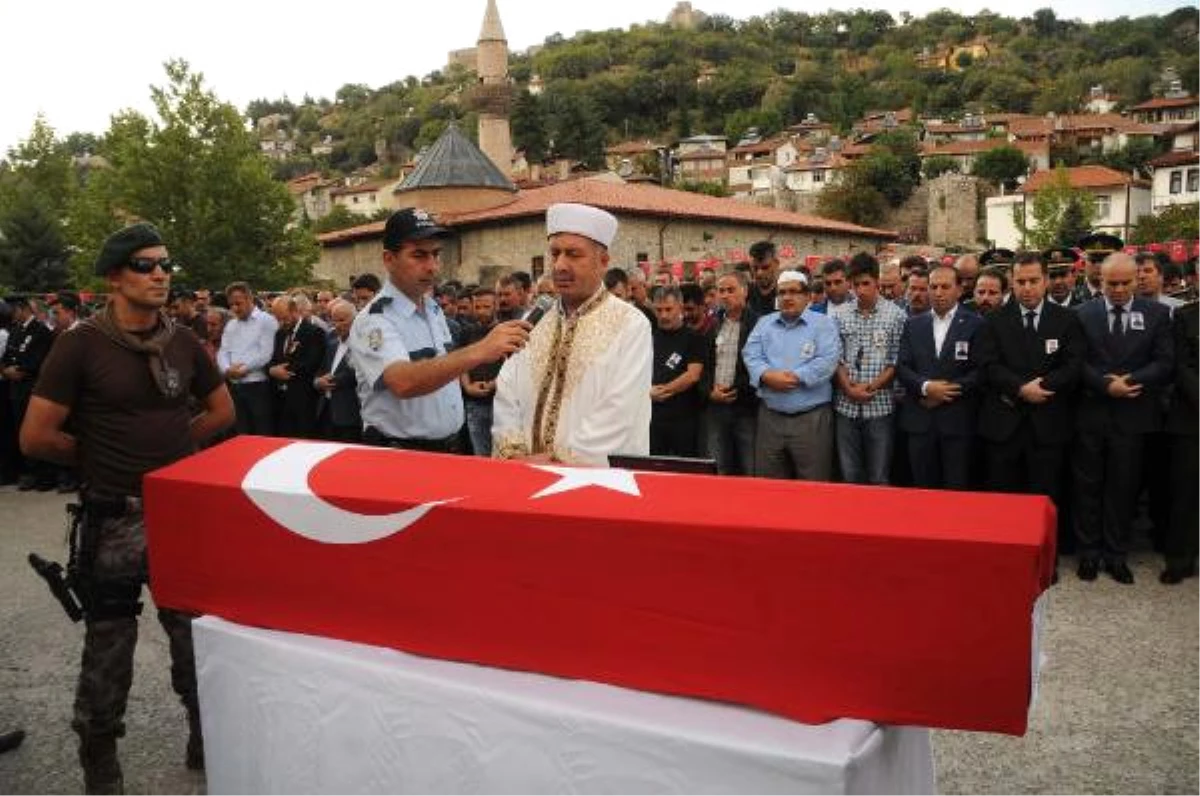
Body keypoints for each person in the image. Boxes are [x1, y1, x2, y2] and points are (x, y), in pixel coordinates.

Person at [19, 221, 234, 793]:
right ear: (114, 276)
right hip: (111, 517)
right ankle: (100, 762)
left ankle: (202, 731)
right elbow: (36, 436)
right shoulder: (80, 344)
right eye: (144, 265)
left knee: (192, 634)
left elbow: (222, 411)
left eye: (165, 264)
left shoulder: (184, 341)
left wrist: (175, 453)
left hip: (175, 516)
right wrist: (101, 458)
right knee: (109, 646)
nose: (160, 273)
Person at [350, 208, 529, 453]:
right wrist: (481, 350)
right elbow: (402, 381)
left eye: (436, 254)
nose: (432, 266)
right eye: (419, 255)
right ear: (389, 259)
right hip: (402, 454)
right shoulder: (374, 320)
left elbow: (445, 368)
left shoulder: (433, 310)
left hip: (450, 446)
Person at [493, 203, 651, 464]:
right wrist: (514, 455)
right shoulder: (533, 322)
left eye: (573, 254)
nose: (560, 265)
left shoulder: (631, 324)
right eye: (555, 254)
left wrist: (559, 461)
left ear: (603, 262)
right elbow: (507, 391)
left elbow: (621, 411)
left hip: (590, 485)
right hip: (524, 475)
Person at [975, 252, 1084, 570]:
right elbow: (987, 365)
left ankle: (1044, 559)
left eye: (1034, 281)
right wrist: (1021, 389)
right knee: (1002, 495)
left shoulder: (1067, 320)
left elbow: (1074, 365)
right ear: (1011, 281)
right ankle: (1003, 557)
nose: (1027, 288)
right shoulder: (994, 320)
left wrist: (1044, 386)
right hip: (1004, 423)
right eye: (1020, 281)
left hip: (1047, 424)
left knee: (1045, 495)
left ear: (1046, 281)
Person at [1072, 253, 1174, 584]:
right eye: (1110, 284)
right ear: (1099, 281)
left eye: (1124, 283)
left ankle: (1116, 555)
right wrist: (1105, 385)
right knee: (1088, 487)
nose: (1117, 290)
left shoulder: (1157, 314)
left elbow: (1164, 362)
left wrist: (1128, 382)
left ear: (1136, 280)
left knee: (1123, 487)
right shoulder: (1082, 314)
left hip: (1132, 415)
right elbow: (1076, 362)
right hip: (1092, 413)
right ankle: (1088, 553)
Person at [743, 270, 839, 481]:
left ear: (807, 296)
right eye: (782, 292)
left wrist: (794, 377)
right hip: (770, 418)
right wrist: (766, 375)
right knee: (770, 486)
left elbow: (827, 360)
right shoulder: (764, 323)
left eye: (794, 292)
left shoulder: (824, 324)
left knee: (813, 484)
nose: (787, 297)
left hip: (811, 419)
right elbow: (750, 354)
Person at [896, 265, 984, 489]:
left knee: (956, 487)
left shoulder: (976, 324)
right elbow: (903, 366)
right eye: (933, 287)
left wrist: (945, 391)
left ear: (959, 289)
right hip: (920, 420)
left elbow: (980, 371)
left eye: (945, 287)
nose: (938, 292)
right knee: (923, 489)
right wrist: (925, 387)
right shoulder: (913, 324)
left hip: (957, 421)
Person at [833, 253, 906, 485]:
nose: (861, 290)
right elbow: (836, 358)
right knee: (850, 474)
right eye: (856, 285)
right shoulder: (839, 315)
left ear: (877, 281)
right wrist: (848, 389)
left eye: (866, 283)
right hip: (846, 407)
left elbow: (896, 361)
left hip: (880, 407)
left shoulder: (896, 316)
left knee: (879, 475)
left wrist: (871, 386)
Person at [700, 270, 759, 476]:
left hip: (745, 408)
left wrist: (737, 390)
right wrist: (709, 391)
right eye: (721, 290)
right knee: (718, 466)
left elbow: (758, 367)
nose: (724, 295)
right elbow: (704, 365)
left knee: (749, 466)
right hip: (715, 407)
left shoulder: (758, 324)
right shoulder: (711, 324)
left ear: (745, 291)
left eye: (730, 290)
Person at [1162, 298, 1200, 583]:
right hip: (1191, 417)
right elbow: (1181, 365)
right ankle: (1180, 560)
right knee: (1185, 492)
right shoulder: (1186, 316)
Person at [2, 296, 55, 491]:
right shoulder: (16, 330)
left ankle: (45, 474)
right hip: (15, 389)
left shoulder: (40, 331)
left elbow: (38, 360)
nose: (11, 315)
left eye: (14, 310)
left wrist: (22, 370)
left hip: (31, 387)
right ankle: (30, 471)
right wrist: (6, 370)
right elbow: (8, 355)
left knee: (36, 431)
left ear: (23, 309)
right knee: (20, 431)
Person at [649, 285, 705, 457]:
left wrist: (664, 390)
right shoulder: (648, 337)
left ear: (680, 307)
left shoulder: (694, 338)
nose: (664, 315)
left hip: (683, 419)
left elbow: (693, 375)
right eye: (659, 310)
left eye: (668, 309)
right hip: (653, 419)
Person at [217, 281, 278, 435]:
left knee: (262, 431)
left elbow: (266, 354)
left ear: (250, 299)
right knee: (241, 431)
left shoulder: (266, 320)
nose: (234, 308)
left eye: (238, 303)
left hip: (257, 385)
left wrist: (242, 369)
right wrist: (226, 369)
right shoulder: (231, 324)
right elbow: (223, 351)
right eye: (231, 304)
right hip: (234, 385)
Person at [268, 294, 327, 438]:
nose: (281, 322)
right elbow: (274, 359)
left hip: (303, 400)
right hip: (281, 400)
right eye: (278, 319)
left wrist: (284, 371)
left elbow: (311, 363)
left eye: (284, 318)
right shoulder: (280, 334)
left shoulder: (314, 332)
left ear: (295, 311)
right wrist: (271, 370)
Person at [459, 286, 501, 456]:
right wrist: (467, 386)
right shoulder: (467, 332)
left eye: (486, 307)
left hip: (500, 403)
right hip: (474, 403)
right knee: (480, 454)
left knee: (502, 453)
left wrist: (494, 384)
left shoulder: (505, 331)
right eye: (478, 307)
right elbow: (461, 363)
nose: (481, 311)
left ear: (496, 306)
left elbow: (514, 366)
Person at [314, 298, 361, 442]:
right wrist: (317, 382)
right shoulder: (331, 340)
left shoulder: (361, 345)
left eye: (342, 320)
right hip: (326, 410)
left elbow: (355, 373)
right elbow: (321, 368)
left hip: (349, 413)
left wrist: (330, 381)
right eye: (333, 320)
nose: (337, 325)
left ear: (355, 320)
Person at [746, 241, 778, 318]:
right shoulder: (745, 292)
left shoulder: (786, 292)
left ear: (776, 264)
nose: (759, 273)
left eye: (765, 267)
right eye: (755, 268)